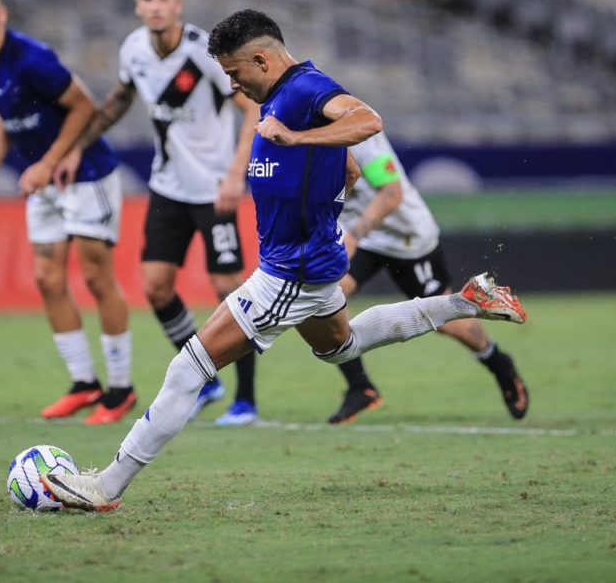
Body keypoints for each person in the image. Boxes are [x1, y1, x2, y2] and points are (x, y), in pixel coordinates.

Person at [41, 9, 527, 511]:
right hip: (307, 264)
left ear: (260, 58)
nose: (232, 84)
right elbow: (352, 171)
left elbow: (368, 121)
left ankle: (106, 487)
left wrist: (298, 143)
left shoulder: (303, 91)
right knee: (345, 346)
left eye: (234, 73)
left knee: (188, 370)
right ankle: (464, 301)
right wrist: (320, 197)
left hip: (288, 274)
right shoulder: (282, 97)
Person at [216, 129, 530, 426]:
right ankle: (361, 387)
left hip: (407, 239)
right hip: (361, 239)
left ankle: (500, 364)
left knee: (450, 324)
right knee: (317, 302)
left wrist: (352, 237)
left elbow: (390, 194)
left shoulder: (361, 137)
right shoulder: (297, 135)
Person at [61, 0, 259, 422]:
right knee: (155, 286)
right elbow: (118, 101)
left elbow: (252, 107)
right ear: (137, 6)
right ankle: (207, 380)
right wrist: (77, 146)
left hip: (213, 189)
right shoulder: (133, 49)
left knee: (230, 291)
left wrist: (235, 174)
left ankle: (245, 399)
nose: (154, 5)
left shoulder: (204, 52)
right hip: (167, 187)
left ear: (178, 4)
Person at [0, 0, 136, 424]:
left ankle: (120, 389)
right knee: (46, 277)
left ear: (1, 14)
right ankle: (84, 383)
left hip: (86, 173)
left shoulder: (32, 58)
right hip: (43, 181)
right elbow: (7, 121)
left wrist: (49, 161)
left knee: (97, 278)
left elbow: (84, 106)